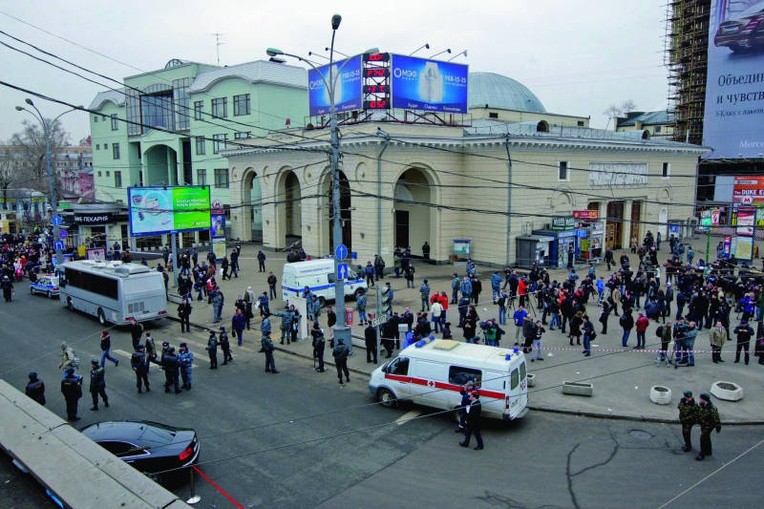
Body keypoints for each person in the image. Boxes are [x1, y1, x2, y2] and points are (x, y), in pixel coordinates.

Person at [696, 393, 721, 461]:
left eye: (701, 399)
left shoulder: (712, 408)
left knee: (703, 438)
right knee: (707, 438)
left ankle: (702, 453)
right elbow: (700, 413)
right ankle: (708, 451)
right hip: (703, 424)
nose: (700, 400)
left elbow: (716, 418)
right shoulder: (702, 405)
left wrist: (718, 427)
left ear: (704, 400)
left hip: (709, 426)